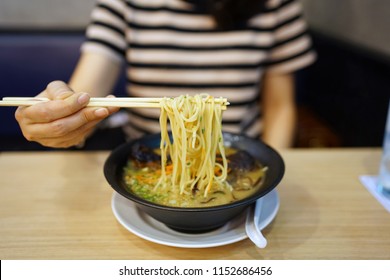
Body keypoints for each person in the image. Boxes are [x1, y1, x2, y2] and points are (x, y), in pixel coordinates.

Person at [14, 0, 316, 150]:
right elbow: (84, 97)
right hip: (147, 154)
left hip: (236, 153)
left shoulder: (277, 5)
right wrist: (62, 115)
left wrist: (270, 172)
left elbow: (279, 106)